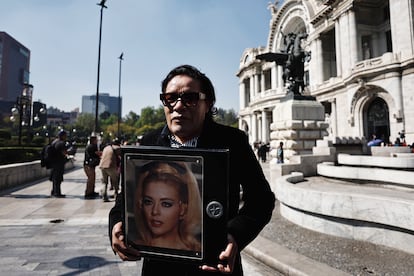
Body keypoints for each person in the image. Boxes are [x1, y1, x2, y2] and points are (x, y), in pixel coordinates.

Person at [109, 64, 275, 275]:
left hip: (215, 265)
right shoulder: (149, 142)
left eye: (190, 98)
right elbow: (125, 199)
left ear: (208, 104)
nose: (178, 106)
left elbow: (261, 200)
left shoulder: (233, 142)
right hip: (159, 268)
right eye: (170, 98)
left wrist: (235, 236)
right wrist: (116, 225)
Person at [133, 161, 201, 251]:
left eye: (166, 204)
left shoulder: (197, 250)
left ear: (183, 210)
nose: (155, 211)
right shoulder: (134, 246)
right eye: (148, 202)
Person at [50, 130, 68, 198]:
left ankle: (54, 191)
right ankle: (57, 193)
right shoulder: (61, 143)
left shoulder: (54, 142)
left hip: (53, 162)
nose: (66, 137)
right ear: (63, 136)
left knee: (55, 178)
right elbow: (64, 152)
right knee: (58, 178)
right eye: (65, 135)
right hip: (59, 163)